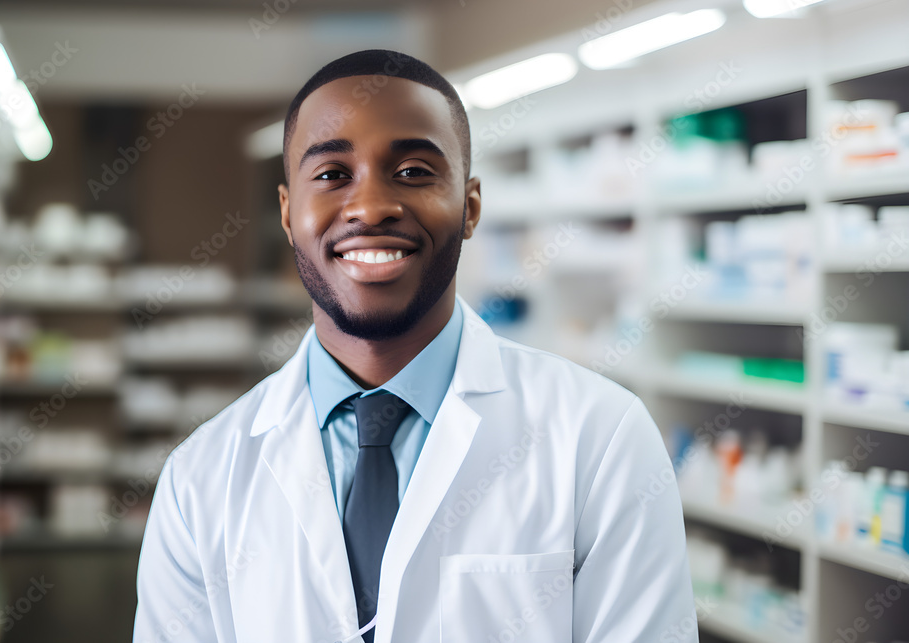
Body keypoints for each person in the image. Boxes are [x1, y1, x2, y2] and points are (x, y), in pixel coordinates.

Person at [133, 48, 698, 643]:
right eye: (331, 175)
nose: (372, 207)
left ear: (471, 206)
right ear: (287, 210)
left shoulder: (600, 439)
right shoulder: (201, 477)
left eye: (413, 173)